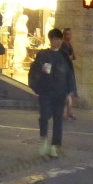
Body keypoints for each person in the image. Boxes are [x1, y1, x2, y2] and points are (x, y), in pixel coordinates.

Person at [28, 28, 72, 158]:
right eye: (55, 39)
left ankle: (54, 146)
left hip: (60, 91)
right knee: (44, 116)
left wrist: (69, 92)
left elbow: (69, 74)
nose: (57, 42)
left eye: (59, 39)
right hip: (46, 90)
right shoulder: (43, 54)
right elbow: (34, 68)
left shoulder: (64, 55)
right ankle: (44, 139)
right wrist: (41, 69)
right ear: (50, 40)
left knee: (58, 119)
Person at [61, 26, 78, 120]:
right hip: (64, 71)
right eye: (68, 34)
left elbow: (74, 56)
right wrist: (70, 56)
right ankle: (66, 112)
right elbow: (67, 57)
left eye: (70, 34)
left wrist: (71, 56)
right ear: (64, 35)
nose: (69, 36)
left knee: (68, 92)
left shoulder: (69, 44)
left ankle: (69, 111)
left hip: (69, 70)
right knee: (66, 92)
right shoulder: (63, 45)